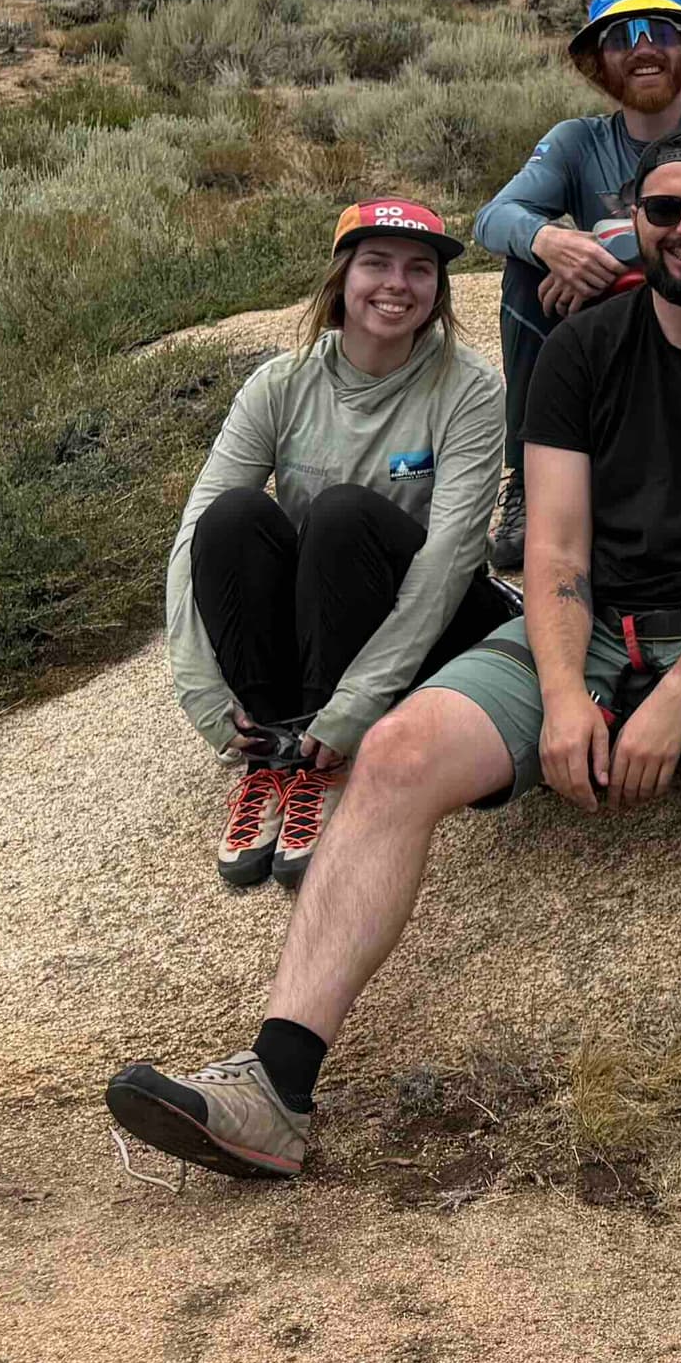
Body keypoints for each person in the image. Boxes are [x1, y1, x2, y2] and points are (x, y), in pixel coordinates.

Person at [108, 131, 681, 1208]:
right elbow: (553, 550)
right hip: (590, 625)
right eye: (665, 210)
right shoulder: (581, 350)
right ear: (636, 224)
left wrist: (675, 703)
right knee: (398, 751)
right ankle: (276, 1087)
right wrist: (561, 698)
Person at [168, 200, 508, 893]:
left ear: (438, 290)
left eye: (420, 270)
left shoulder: (469, 389)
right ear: (342, 278)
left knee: (343, 512)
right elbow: (193, 534)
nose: (397, 285)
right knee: (232, 518)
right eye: (376, 263)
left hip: (428, 624)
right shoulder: (280, 385)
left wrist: (354, 702)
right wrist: (198, 684)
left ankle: (327, 762)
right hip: (326, 618)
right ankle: (275, 751)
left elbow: (448, 563)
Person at [470, 0, 681, 569]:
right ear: (598, 65)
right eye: (621, 38)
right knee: (526, 271)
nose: (642, 49)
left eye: (659, 30)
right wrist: (549, 240)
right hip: (611, 328)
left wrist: (601, 251)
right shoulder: (577, 141)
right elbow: (492, 218)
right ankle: (528, 477)